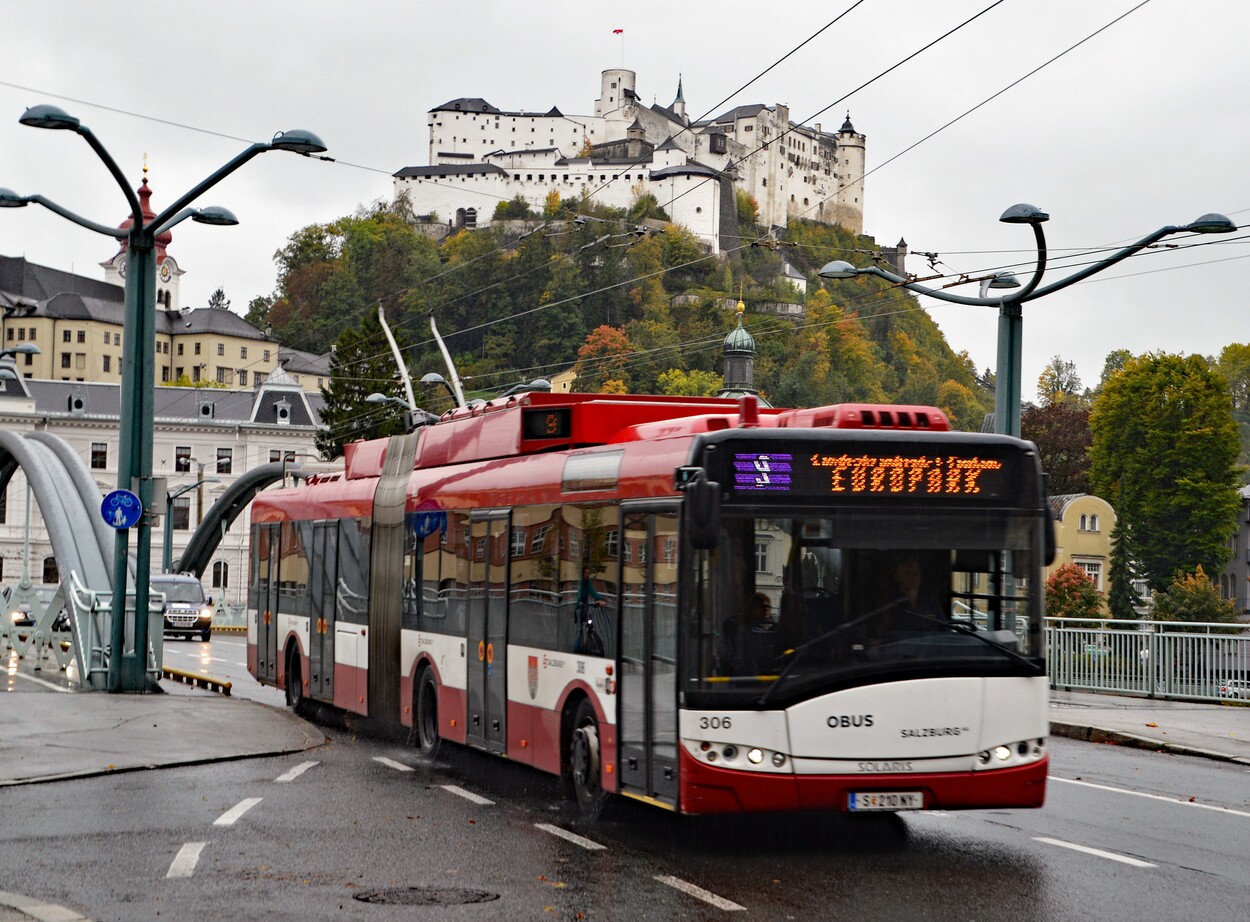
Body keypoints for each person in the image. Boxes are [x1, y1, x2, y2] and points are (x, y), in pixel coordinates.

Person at [718, 592, 780, 675]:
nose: (766, 610)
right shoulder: (741, 629)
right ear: (753, 609)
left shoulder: (774, 628)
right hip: (747, 673)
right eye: (762, 607)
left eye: (768, 607)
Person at [575, 565, 606, 654]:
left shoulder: (588, 582)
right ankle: (577, 649)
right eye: (587, 573)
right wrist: (580, 601)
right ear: (583, 574)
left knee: (590, 623)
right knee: (580, 629)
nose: (588, 575)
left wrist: (600, 599)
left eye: (589, 573)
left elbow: (593, 592)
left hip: (585, 607)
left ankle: (588, 643)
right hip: (579, 608)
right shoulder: (582, 582)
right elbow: (581, 593)